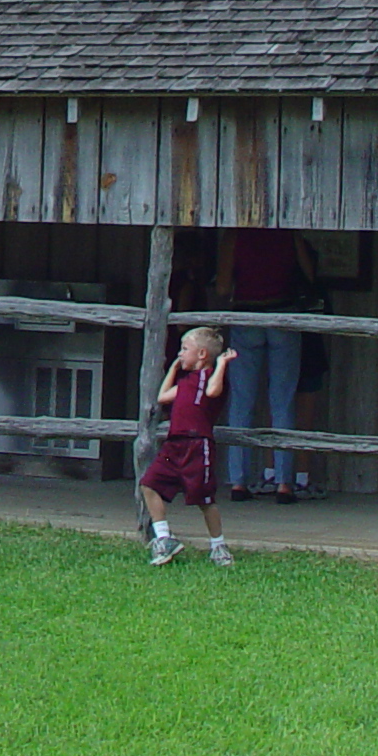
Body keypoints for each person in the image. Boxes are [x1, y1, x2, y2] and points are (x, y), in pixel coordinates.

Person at [216, 226, 316, 501]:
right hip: (283, 312)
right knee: (282, 400)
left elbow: (224, 286)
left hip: (247, 312)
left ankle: (239, 481)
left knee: (242, 400)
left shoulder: (234, 236)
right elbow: (309, 275)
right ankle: (284, 482)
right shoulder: (288, 233)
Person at [140, 326, 237, 567]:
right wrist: (173, 369)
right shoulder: (186, 382)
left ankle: (218, 546)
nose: (180, 354)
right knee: (149, 484)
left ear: (202, 354)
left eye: (185, 350)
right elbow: (163, 397)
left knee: (204, 497)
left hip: (197, 443)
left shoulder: (212, 377)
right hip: (175, 443)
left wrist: (222, 364)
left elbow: (213, 391)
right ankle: (164, 537)